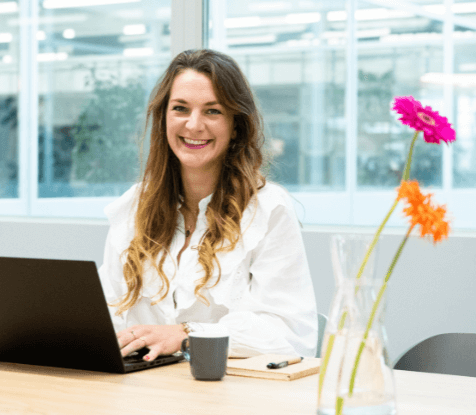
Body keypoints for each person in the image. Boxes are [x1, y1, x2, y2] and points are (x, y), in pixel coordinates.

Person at [98, 49, 317, 362]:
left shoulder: (267, 209)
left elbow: (291, 334)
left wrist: (187, 333)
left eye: (212, 111)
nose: (194, 124)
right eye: (180, 109)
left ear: (236, 125)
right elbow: (108, 312)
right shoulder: (134, 205)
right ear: (163, 119)